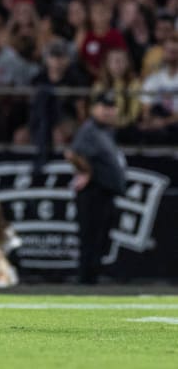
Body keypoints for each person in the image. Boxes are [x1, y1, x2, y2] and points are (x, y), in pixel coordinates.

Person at [64, 91, 126, 285]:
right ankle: (86, 278)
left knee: (100, 236)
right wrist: (87, 172)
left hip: (105, 190)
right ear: (94, 109)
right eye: (104, 107)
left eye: (111, 107)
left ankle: (93, 275)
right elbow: (72, 154)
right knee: (90, 236)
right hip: (93, 191)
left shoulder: (107, 131)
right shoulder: (89, 129)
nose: (108, 112)